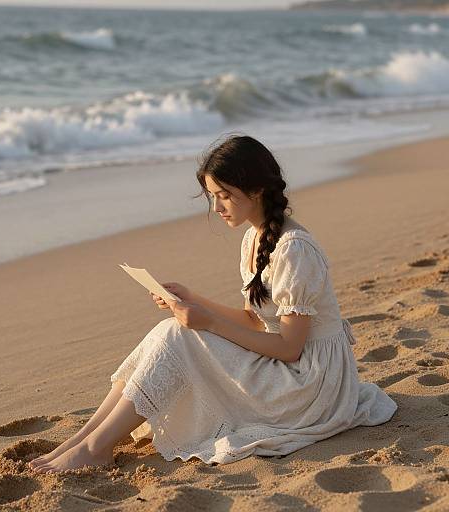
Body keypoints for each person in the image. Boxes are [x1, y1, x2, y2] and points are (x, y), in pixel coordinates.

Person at [28, 134, 397, 473]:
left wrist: (207, 322)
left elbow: (290, 347)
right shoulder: (254, 240)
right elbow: (256, 321)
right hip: (287, 367)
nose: (217, 207)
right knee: (169, 329)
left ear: (256, 188)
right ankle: (85, 440)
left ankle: (95, 446)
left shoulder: (294, 249)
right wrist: (193, 299)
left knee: (180, 336)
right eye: (213, 197)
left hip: (310, 386)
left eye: (224, 194)